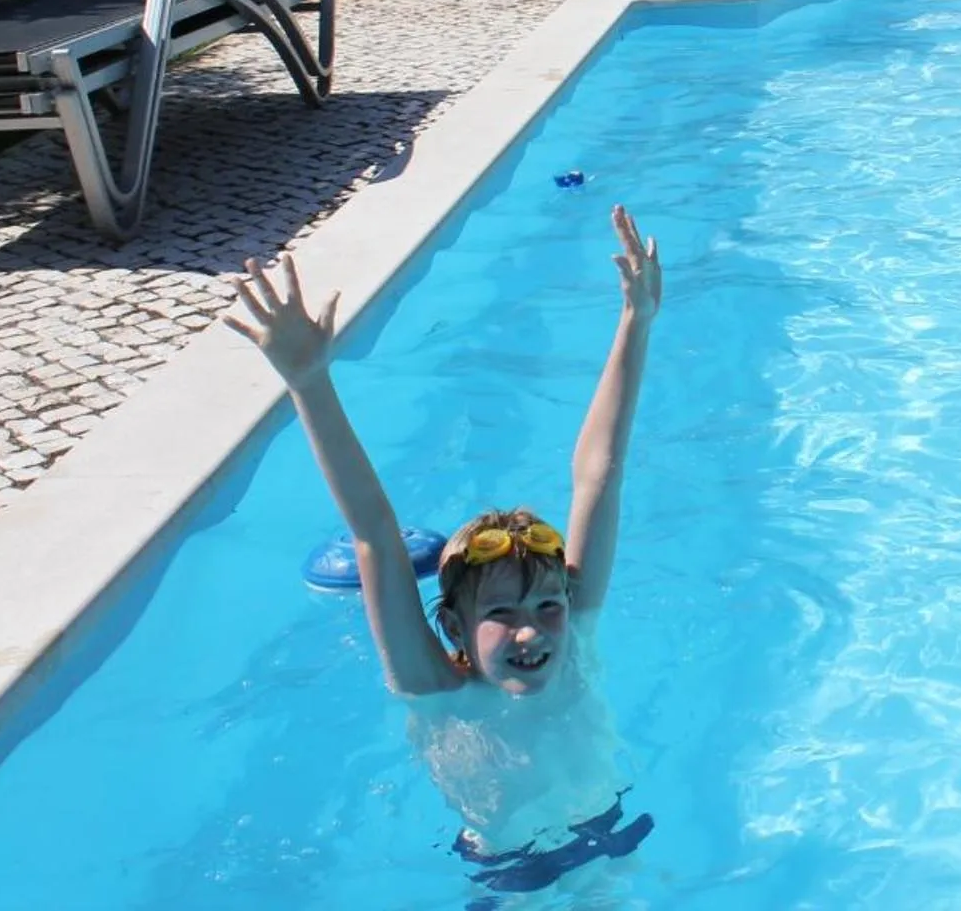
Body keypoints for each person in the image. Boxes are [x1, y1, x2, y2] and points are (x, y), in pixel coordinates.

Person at [222, 204, 662, 881]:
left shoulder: (573, 639)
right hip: (515, 878)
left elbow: (598, 476)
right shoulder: (436, 690)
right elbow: (375, 534)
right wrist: (309, 382)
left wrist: (636, 322)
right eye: (501, 613)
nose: (532, 631)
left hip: (609, 836)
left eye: (547, 605)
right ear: (453, 622)